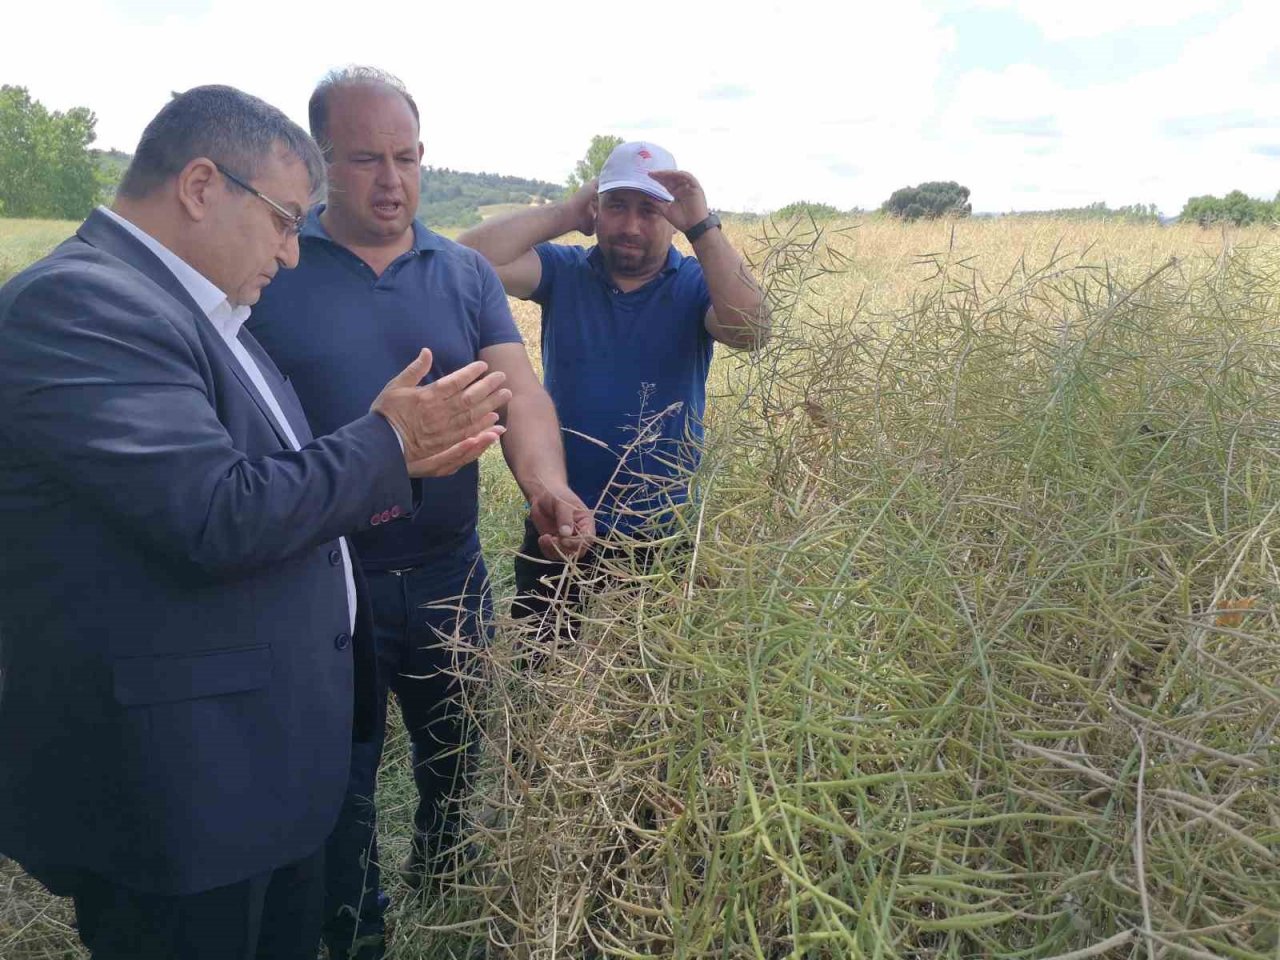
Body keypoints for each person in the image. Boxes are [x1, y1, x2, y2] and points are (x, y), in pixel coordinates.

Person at [0, 85, 512, 960]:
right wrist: (390, 441)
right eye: (283, 220)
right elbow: (217, 511)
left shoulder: (206, 314)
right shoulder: (82, 306)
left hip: (249, 778)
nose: (292, 250)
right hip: (181, 795)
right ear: (202, 185)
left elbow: (269, 481)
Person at [246, 67, 592, 960]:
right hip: (325, 585)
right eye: (365, 159)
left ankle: (441, 889)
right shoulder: (273, 264)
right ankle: (357, 933)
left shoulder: (465, 272)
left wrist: (546, 487)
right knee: (341, 785)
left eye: (406, 157)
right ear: (322, 164)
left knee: (454, 759)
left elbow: (521, 393)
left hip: (449, 577)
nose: (391, 180)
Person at [457, 140, 768, 638]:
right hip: (559, 521)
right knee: (544, 674)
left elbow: (752, 331)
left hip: (659, 535)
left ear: (672, 221)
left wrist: (703, 229)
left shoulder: (692, 283)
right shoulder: (565, 273)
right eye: (617, 206)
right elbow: (460, 262)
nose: (630, 226)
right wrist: (564, 212)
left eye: (649, 210)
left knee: (646, 690)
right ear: (596, 210)